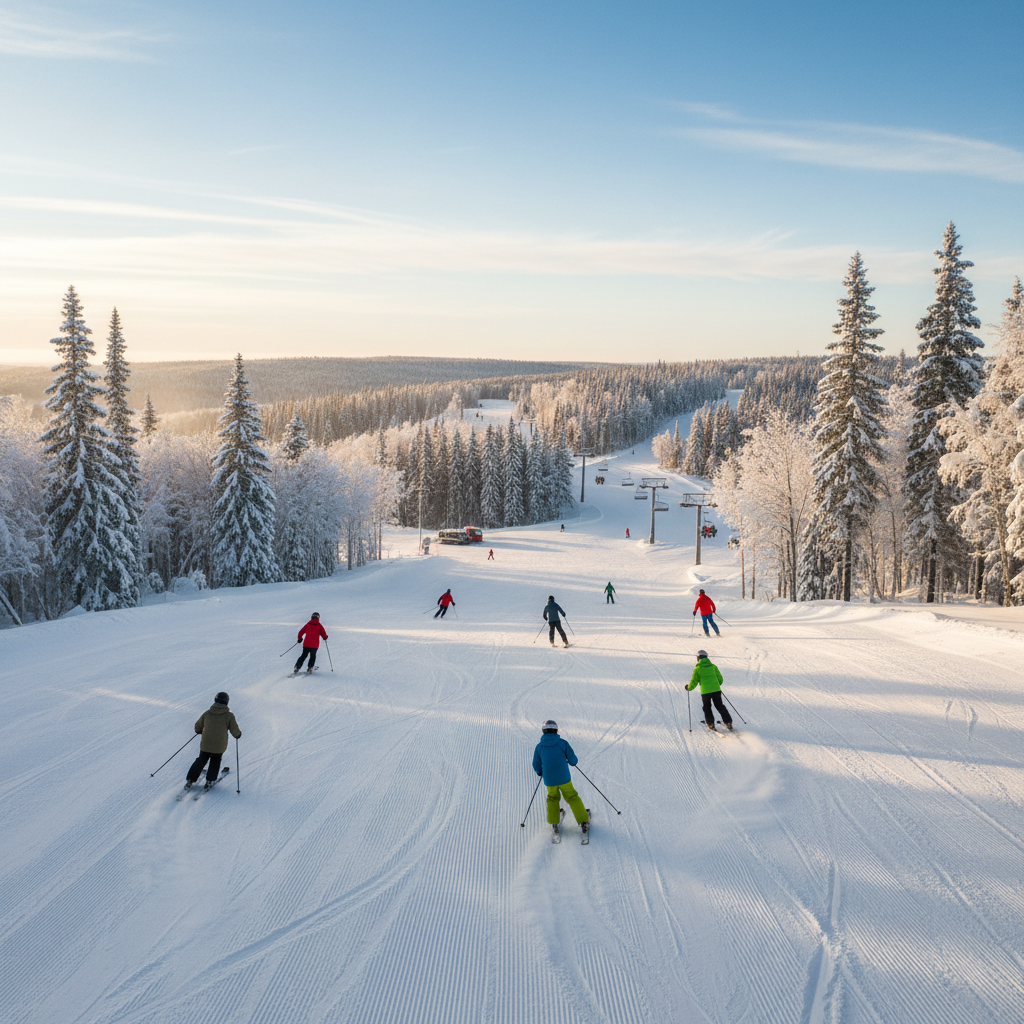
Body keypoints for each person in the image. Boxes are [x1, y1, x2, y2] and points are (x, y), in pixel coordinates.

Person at [532, 720, 588, 838]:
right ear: (556, 730)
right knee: (572, 796)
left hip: (549, 779)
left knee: (552, 798)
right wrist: (572, 762)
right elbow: (573, 760)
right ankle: (583, 821)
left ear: (543, 731)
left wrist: (540, 771)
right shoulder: (563, 743)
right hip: (564, 778)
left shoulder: (539, 747)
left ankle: (554, 823)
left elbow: (536, 763)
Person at [185, 691, 242, 790]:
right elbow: (235, 730)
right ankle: (210, 780)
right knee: (215, 761)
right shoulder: (229, 715)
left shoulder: (207, 713)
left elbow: (197, 726)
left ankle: (190, 779)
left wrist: (199, 731)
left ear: (215, 700)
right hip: (219, 746)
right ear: (226, 702)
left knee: (201, 759)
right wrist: (238, 735)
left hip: (205, 744)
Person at [686, 650, 733, 732]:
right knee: (720, 706)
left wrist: (688, 688)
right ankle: (728, 722)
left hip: (705, 692)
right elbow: (720, 679)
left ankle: (710, 723)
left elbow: (694, 681)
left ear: (698, 658)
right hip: (716, 690)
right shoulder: (713, 666)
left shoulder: (698, 668)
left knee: (707, 707)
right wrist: (715, 685)